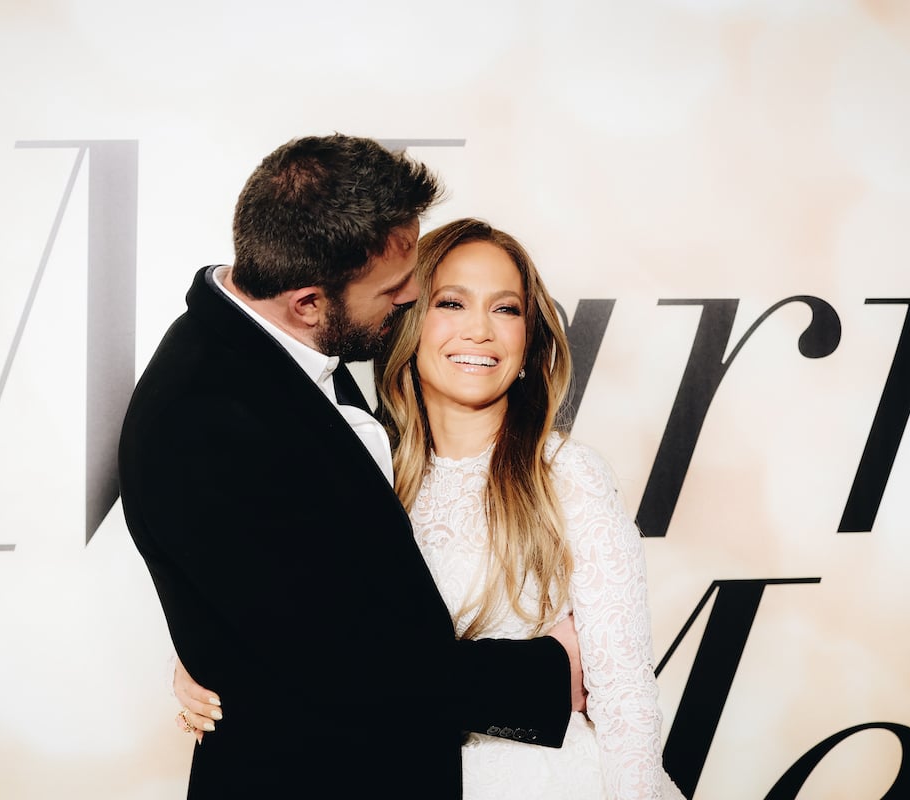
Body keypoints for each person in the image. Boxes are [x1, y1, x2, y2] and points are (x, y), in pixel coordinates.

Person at [117, 136, 584, 799]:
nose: (412, 296)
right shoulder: (204, 421)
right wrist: (550, 673)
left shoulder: (266, 344)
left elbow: (300, 596)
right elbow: (343, 668)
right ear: (308, 303)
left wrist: (220, 638)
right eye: (395, 288)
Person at [175, 217, 687, 799]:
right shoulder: (359, 470)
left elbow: (625, 698)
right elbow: (299, 633)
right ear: (408, 323)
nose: (480, 331)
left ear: (529, 339)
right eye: (451, 302)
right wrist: (209, 657)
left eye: (506, 309)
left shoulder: (567, 475)